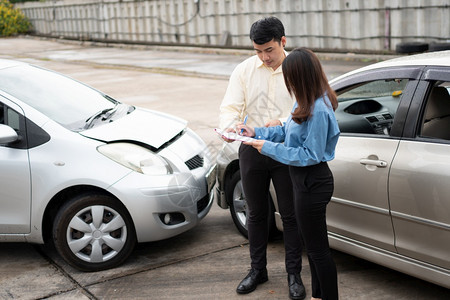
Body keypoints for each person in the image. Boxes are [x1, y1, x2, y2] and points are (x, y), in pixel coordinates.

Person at [237, 47, 340, 300]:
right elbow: (288, 130)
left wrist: (268, 148)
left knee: (318, 252)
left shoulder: (319, 109)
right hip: (303, 182)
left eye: (290, 77)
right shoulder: (306, 100)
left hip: (313, 182)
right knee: (315, 249)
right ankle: (317, 296)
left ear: (300, 77)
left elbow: (309, 154)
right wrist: (257, 133)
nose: (288, 82)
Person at [219, 17, 306, 300]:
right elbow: (231, 106)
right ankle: (258, 270)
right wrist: (230, 126)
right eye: (258, 51)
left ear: (283, 41)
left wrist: (275, 124)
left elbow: (304, 109)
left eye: (269, 50)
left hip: (286, 150)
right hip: (251, 149)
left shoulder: (299, 70)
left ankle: (294, 274)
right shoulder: (244, 69)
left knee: (291, 215)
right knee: (256, 214)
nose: (264, 57)